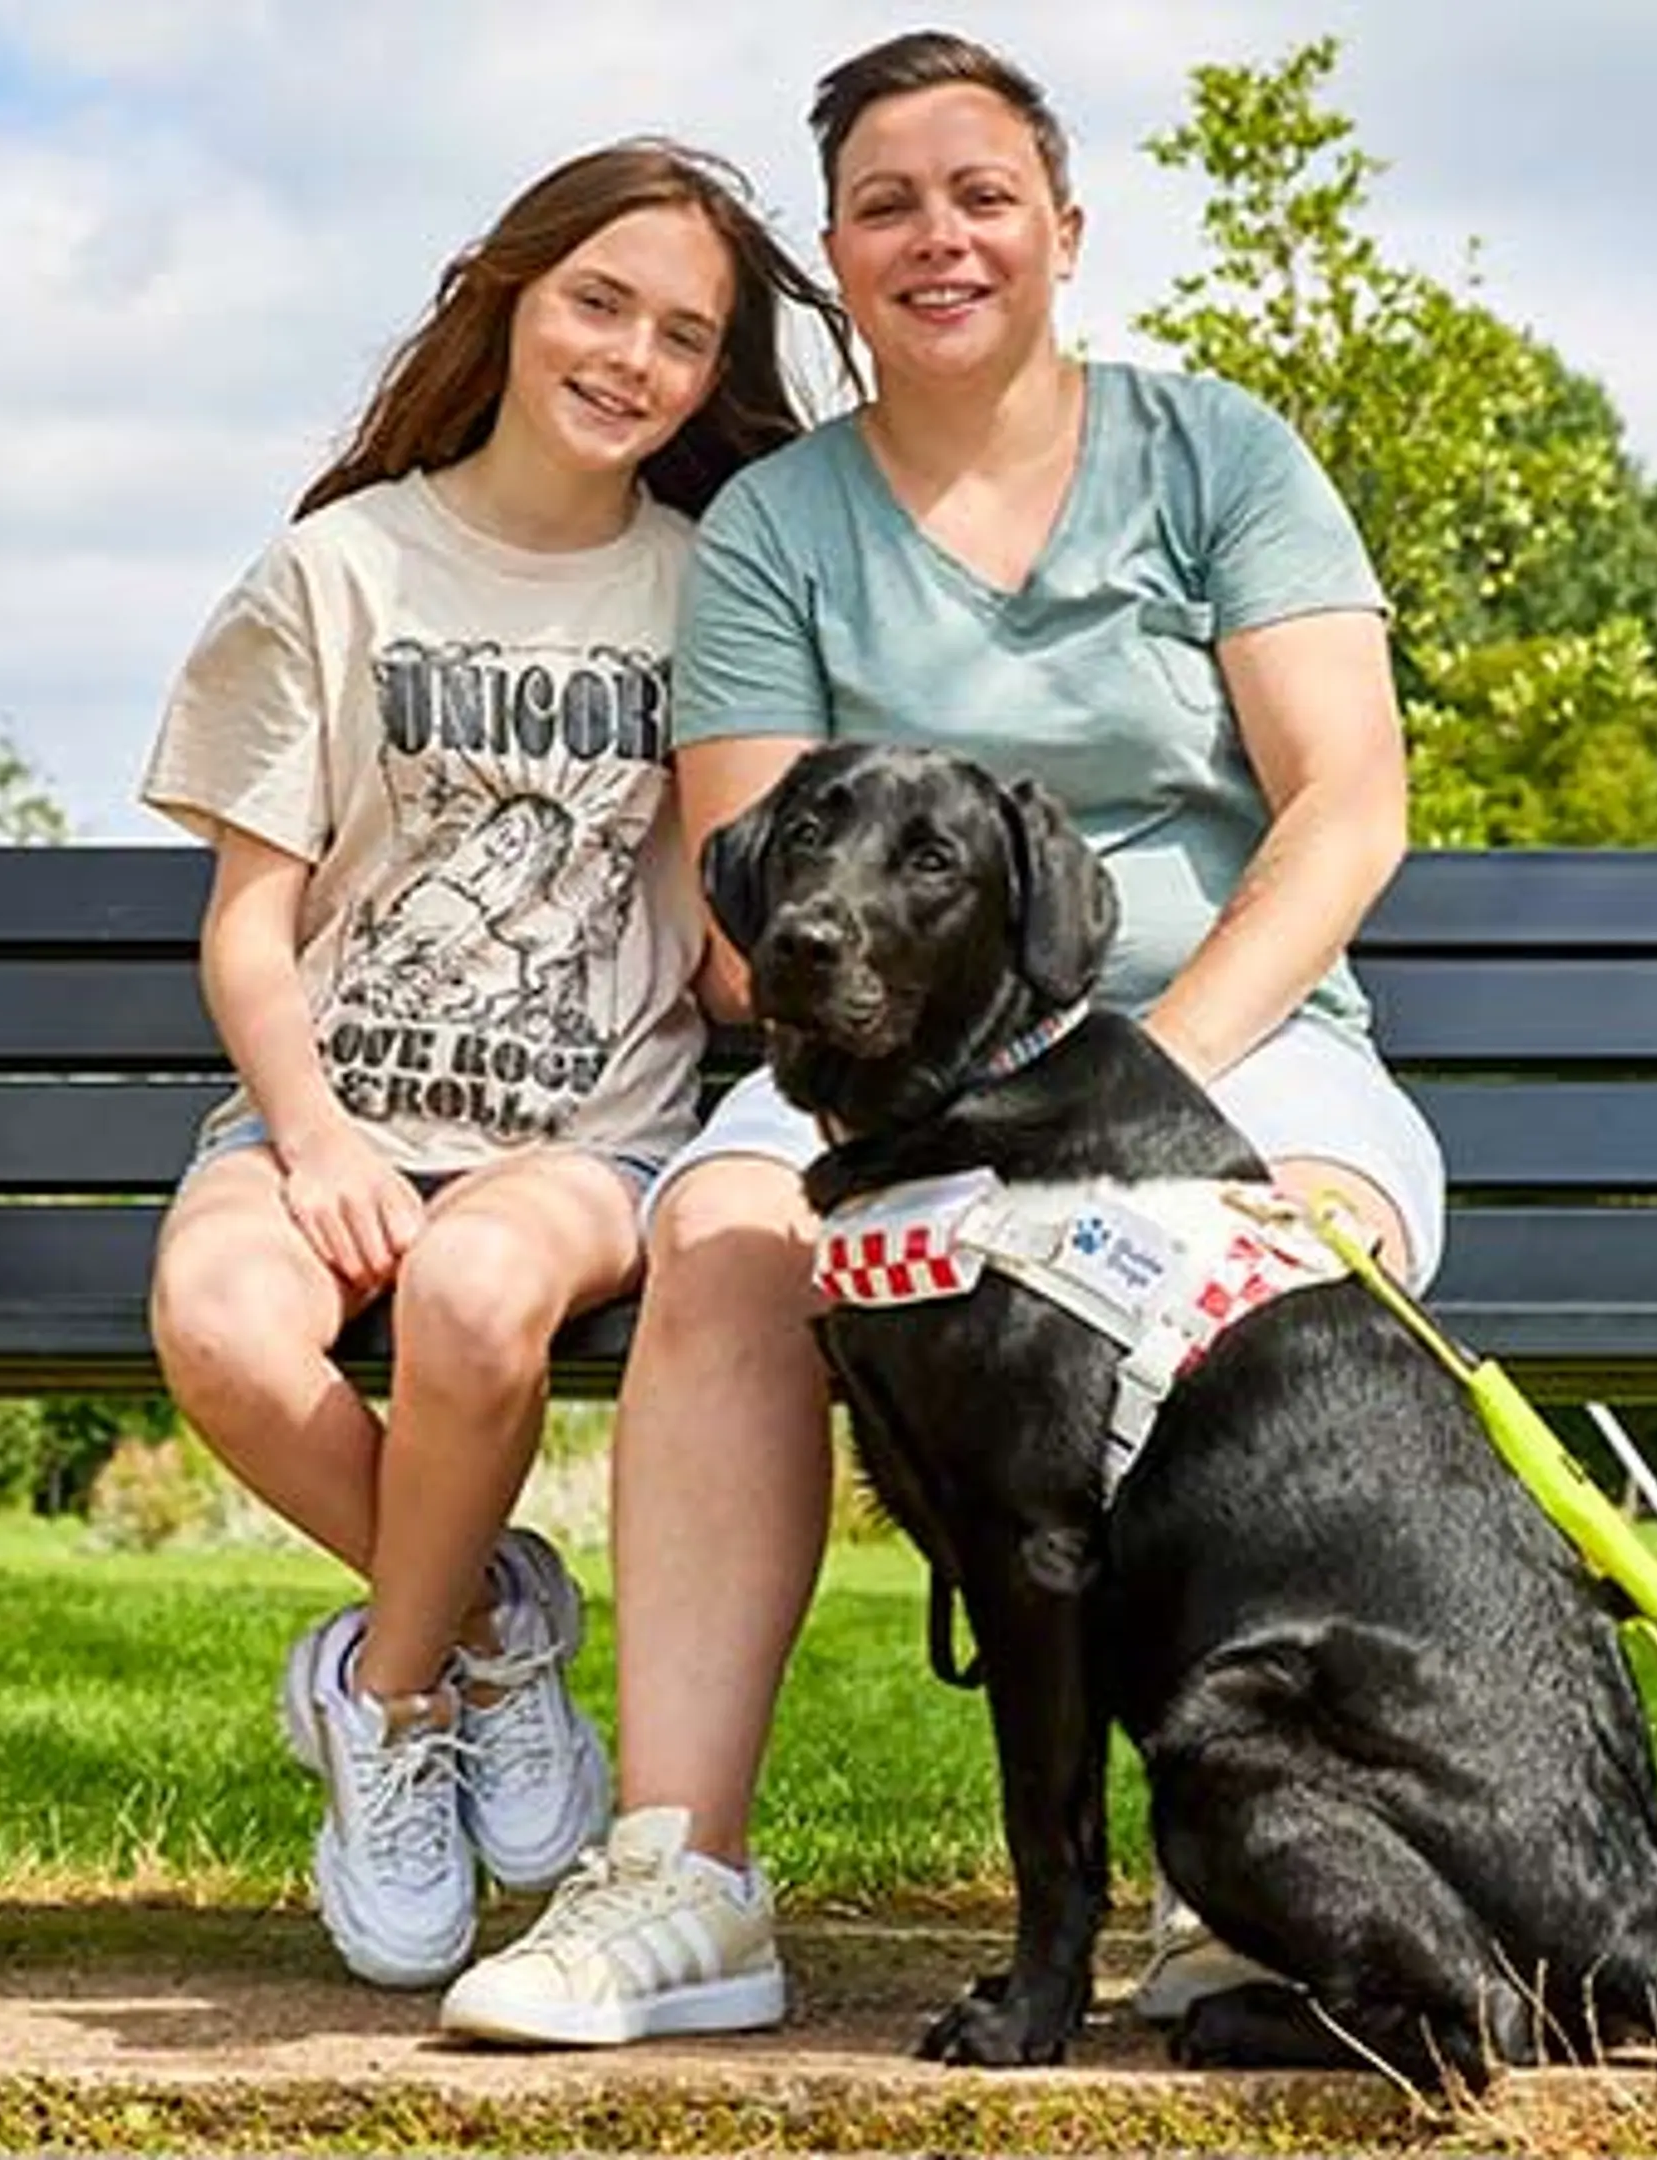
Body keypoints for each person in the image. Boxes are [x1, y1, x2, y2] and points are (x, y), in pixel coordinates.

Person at [440, 31, 1443, 2048]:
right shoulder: (780, 529)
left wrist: (1152, 1081)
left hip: (1231, 1048)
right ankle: (679, 1879)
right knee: (725, 1246)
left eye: (981, 192)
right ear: (837, 251)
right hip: (887, 1083)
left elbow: (1346, 804)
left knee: (1293, 1242)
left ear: (1062, 228)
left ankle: (1238, 1876)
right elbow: (755, 893)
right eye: (887, 203)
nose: (940, 234)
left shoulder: (1219, 456)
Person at [137, 138, 840, 1993]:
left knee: (469, 1292)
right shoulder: (334, 569)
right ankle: (491, 1627)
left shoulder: (720, 586)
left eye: (685, 335)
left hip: (588, 1137)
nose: (632, 357)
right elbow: (245, 924)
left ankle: (383, 1692)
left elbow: (712, 929)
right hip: (320, 1112)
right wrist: (309, 1141)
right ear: (505, 296)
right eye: (599, 302)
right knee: (215, 1319)